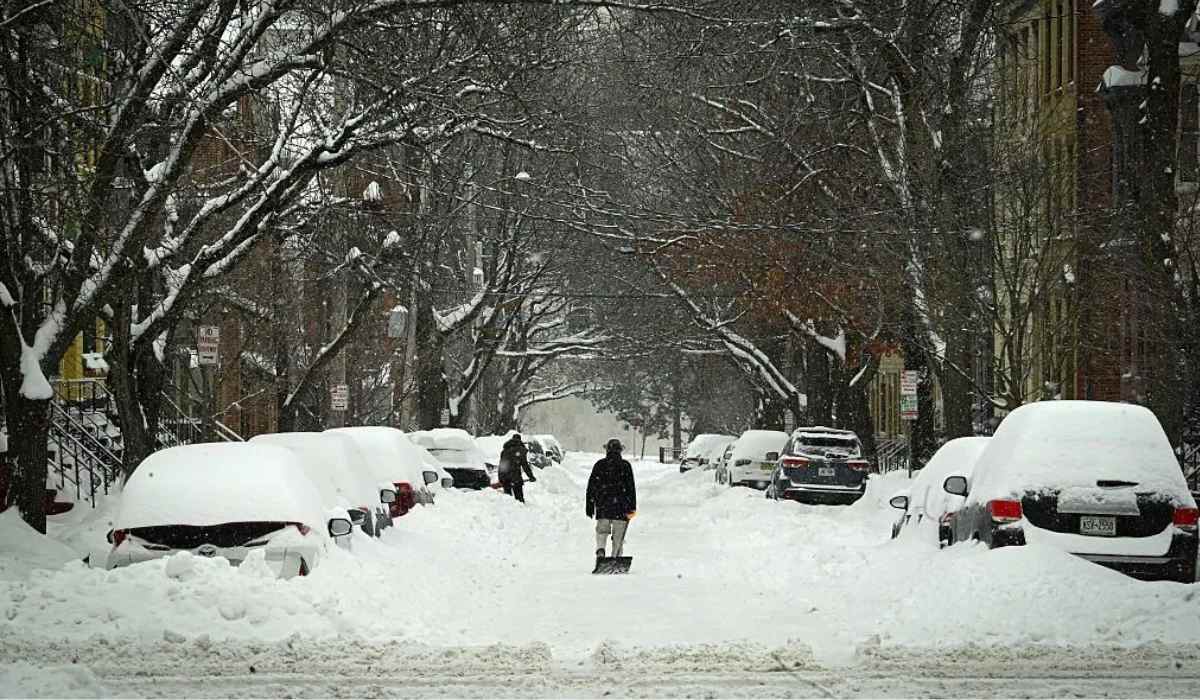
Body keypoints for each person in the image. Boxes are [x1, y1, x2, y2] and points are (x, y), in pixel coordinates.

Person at [586, 438, 637, 557]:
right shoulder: (625, 466)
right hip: (621, 507)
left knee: (601, 531)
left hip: (603, 505)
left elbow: (591, 487)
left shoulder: (600, 465)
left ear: (607, 450)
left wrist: (590, 504)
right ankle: (616, 556)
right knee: (618, 535)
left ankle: (600, 549)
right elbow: (631, 489)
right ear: (620, 451)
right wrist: (632, 508)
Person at [498, 432, 535, 503]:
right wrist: (531, 476)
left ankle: (509, 512)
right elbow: (525, 465)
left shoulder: (504, 451)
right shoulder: (521, 450)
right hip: (515, 477)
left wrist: (501, 478)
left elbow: (501, 465)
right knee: (519, 499)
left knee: (508, 500)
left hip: (505, 477)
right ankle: (521, 511)